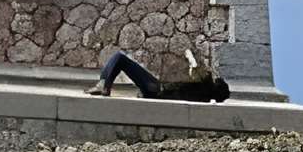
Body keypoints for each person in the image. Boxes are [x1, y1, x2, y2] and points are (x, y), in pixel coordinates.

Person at [93, 42, 229, 102]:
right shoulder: (204, 96)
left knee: (119, 57)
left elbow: (190, 57)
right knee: (120, 60)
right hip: (159, 91)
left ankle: (104, 85)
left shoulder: (203, 83)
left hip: (157, 90)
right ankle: (104, 84)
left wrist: (191, 60)